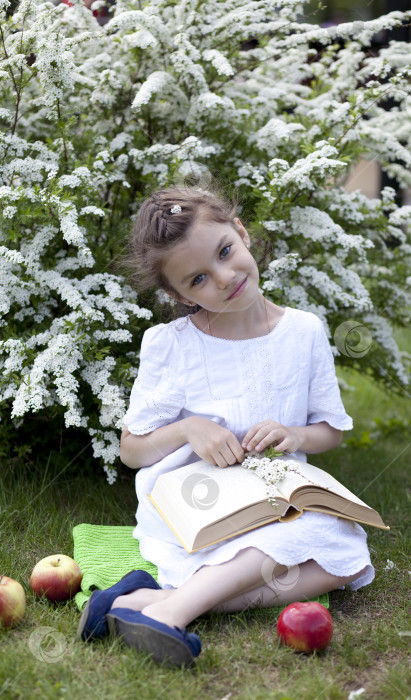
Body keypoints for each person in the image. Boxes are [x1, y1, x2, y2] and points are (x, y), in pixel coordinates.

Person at [77, 186, 374, 667]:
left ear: (241, 232)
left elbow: (330, 430)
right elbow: (130, 450)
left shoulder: (304, 331)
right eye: (198, 279)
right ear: (178, 294)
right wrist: (187, 429)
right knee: (314, 546)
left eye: (225, 252)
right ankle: (172, 612)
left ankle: (144, 602)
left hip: (275, 498)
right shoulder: (170, 345)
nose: (224, 277)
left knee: (346, 559)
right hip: (194, 503)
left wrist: (295, 436)